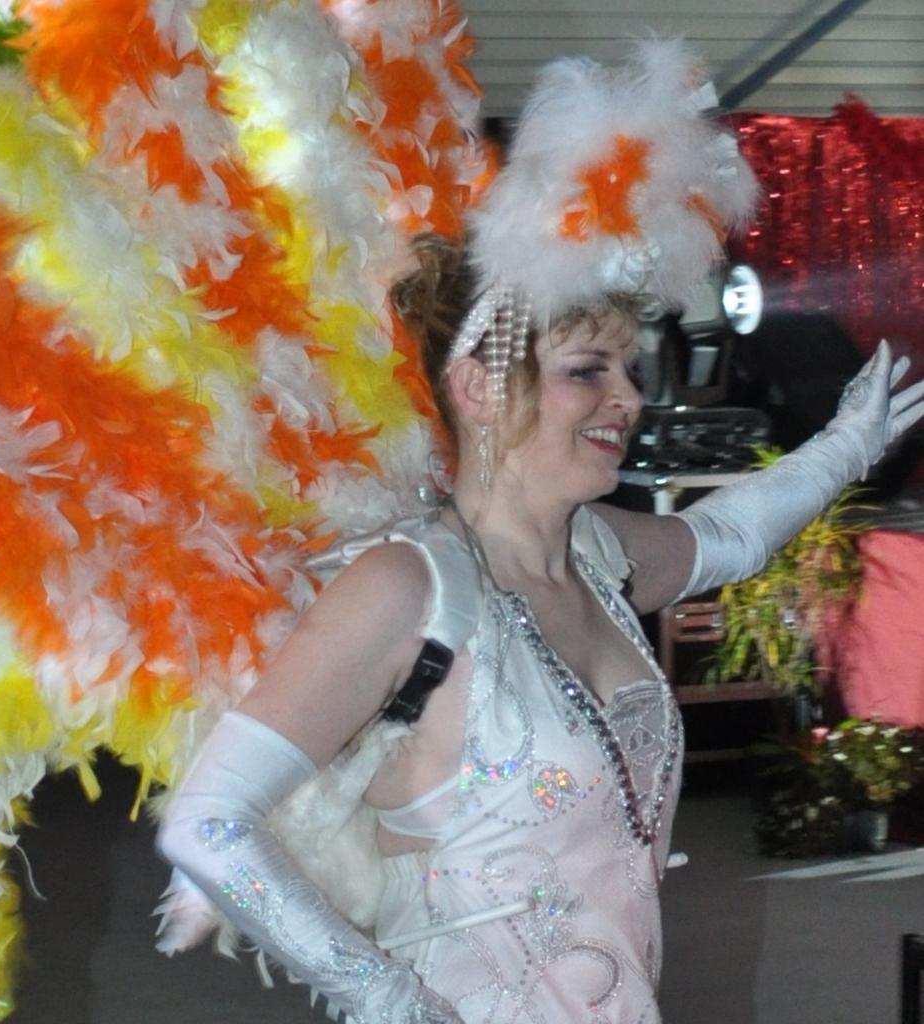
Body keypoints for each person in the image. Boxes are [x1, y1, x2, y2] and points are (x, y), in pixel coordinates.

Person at [156, 40, 924, 1024]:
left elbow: (728, 536)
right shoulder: (407, 586)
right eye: (586, 370)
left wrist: (841, 450)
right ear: (480, 387)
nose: (627, 399)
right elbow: (210, 823)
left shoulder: (602, 556)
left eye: (628, 369)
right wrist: (390, 1001)